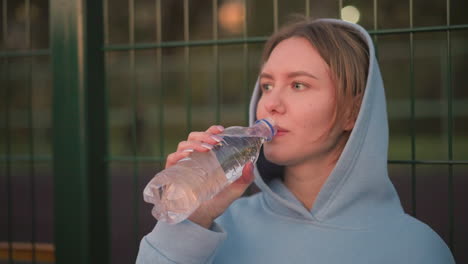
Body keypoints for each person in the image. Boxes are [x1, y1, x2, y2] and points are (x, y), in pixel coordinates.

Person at [136, 18, 455, 263]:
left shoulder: (415, 248)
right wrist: (190, 220)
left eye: (299, 85)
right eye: (267, 85)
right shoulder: (216, 225)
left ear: (353, 112)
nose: (271, 103)